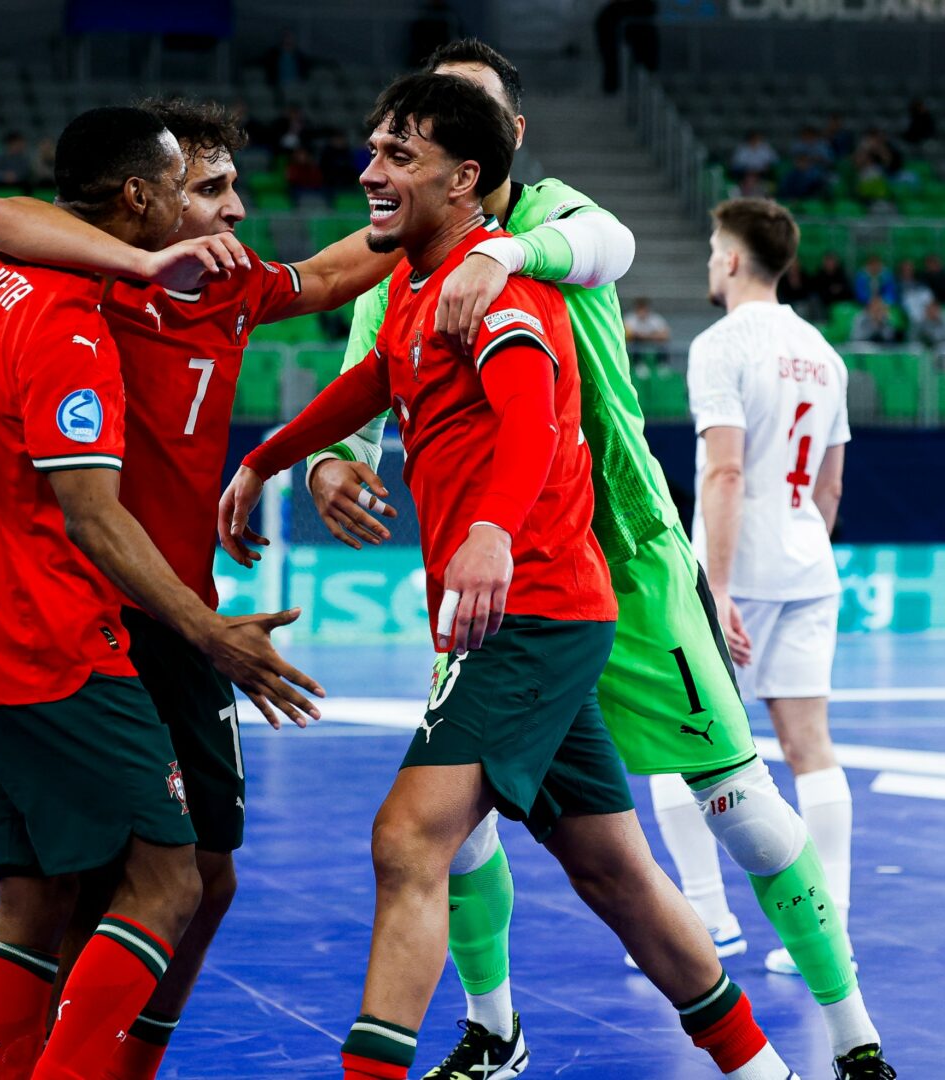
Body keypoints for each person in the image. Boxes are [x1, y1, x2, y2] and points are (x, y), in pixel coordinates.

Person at [302, 46, 887, 1078]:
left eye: (462, 117)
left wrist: (501, 257)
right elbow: (361, 379)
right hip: (499, 584)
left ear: (497, 146)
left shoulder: (562, 217)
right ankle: (495, 1029)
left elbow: (604, 242)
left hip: (622, 559)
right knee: (472, 831)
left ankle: (854, 1038)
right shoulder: (398, 256)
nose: (424, 143)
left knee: (740, 810)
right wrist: (328, 466)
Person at [0, 94, 400, 1079]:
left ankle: (119, 1059)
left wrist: (447, 221)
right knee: (97, 883)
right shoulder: (86, 284)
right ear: (143, 202)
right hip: (99, 613)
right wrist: (137, 262)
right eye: (209, 188)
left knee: (206, 873)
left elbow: (336, 273)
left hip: (182, 611)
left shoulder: (233, 288)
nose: (237, 208)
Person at [687, 198, 867, 991]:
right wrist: (804, 549)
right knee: (810, 748)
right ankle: (828, 930)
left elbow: (724, 472)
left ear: (730, 260)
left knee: (682, 746)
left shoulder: (720, 346)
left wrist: (716, 589)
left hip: (739, 570)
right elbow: (829, 486)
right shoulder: (825, 354)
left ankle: (705, 919)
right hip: (807, 562)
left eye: (711, 252)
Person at [624, 295, 672, 360]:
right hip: (635, 344)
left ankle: (662, 366)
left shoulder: (656, 319)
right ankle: (638, 364)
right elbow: (627, 336)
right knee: (635, 345)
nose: (642, 312)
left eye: (644, 309)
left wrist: (645, 337)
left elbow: (665, 335)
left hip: (653, 344)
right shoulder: (629, 319)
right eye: (640, 309)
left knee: (663, 346)